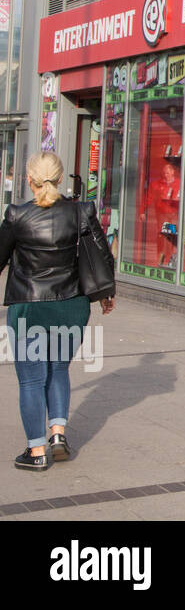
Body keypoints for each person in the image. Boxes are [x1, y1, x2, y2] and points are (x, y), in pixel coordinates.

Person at [0, 152, 116, 470]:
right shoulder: (81, 211)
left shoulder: (16, 215)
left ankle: (36, 452)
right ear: (60, 178)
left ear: (29, 179)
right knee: (59, 369)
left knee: (31, 380)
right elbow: (103, 255)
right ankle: (58, 435)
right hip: (72, 307)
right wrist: (107, 294)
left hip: (29, 310)